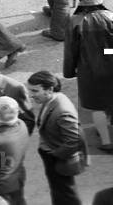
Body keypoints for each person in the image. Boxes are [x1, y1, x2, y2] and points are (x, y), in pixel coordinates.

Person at [62, 0, 113, 154]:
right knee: (111, 98)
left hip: (89, 70)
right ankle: (110, 122)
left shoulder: (75, 21)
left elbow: (70, 50)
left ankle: (106, 141)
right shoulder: (112, 17)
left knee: (97, 106)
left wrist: (68, 71)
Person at [27, 70, 86, 205]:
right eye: (30, 91)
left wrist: (55, 155)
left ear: (50, 89)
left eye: (35, 91)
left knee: (66, 193)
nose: (31, 95)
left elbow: (74, 140)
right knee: (59, 190)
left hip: (59, 158)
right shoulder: (53, 100)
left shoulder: (62, 110)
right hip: (53, 153)